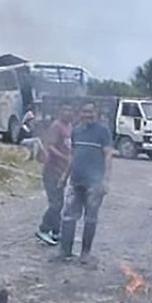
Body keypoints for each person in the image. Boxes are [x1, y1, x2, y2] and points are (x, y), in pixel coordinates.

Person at [56, 102, 114, 264]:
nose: (88, 115)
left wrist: (105, 181)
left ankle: (85, 253)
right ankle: (64, 251)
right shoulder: (76, 131)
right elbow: (73, 156)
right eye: (85, 112)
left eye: (91, 112)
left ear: (97, 113)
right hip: (76, 181)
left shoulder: (103, 132)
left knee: (90, 218)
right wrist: (64, 176)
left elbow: (108, 156)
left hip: (94, 184)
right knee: (68, 217)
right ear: (80, 113)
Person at [35, 104, 74, 245]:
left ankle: (56, 231)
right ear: (60, 112)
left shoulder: (70, 127)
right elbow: (50, 146)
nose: (67, 113)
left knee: (60, 202)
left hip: (63, 171)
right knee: (55, 203)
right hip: (52, 170)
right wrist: (65, 158)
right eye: (65, 110)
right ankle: (43, 229)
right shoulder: (56, 126)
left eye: (70, 110)